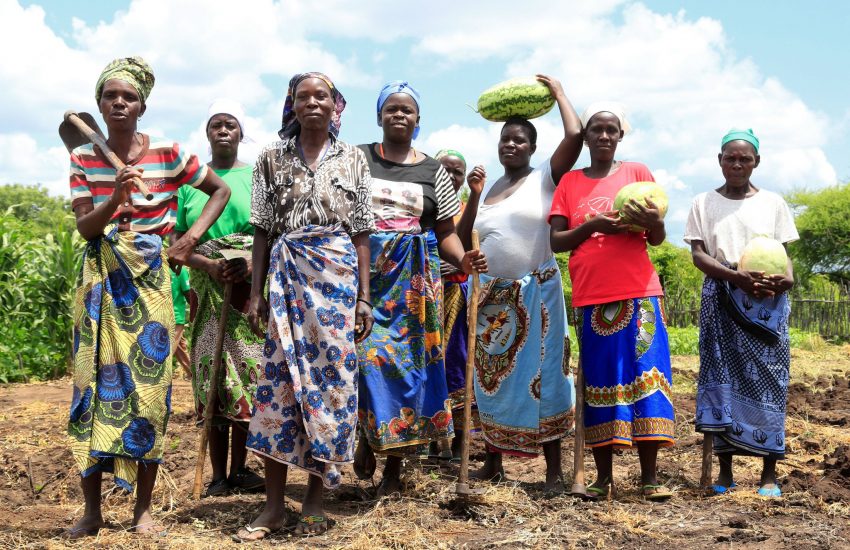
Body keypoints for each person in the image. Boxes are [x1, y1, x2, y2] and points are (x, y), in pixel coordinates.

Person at [66, 56, 230, 537]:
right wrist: (115, 198)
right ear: (99, 103)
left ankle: (142, 511)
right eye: (110, 96)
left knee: (150, 393)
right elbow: (84, 227)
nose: (119, 103)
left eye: (128, 97)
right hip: (99, 279)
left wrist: (190, 239)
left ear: (142, 105)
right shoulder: (83, 158)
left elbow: (217, 191)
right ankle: (92, 512)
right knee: (90, 391)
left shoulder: (169, 154)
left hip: (150, 278)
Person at [236, 73, 374, 540]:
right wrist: (255, 293)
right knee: (277, 386)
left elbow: (360, 235)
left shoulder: (353, 158)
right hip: (286, 278)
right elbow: (260, 230)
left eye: (322, 96)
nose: (312, 103)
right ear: (291, 105)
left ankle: (314, 500)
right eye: (302, 96)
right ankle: (274, 506)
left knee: (331, 385)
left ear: (336, 105)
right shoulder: (270, 159)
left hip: (336, 283)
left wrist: (363, 298)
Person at [354, 82, 487, 496]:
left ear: (417, 120)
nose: (399, 115)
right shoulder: (355, 158)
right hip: (364, 276)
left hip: (413, 282)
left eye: (407, 110)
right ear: (379, 116)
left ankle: (394, 468)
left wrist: (462, 257)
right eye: (391, 109)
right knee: (363, 360)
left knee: (408, 369)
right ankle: (365, 435)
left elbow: (445, 229)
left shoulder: (433, 171)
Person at [455, 75, 578, 493]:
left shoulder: (545, 176)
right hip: (493, 298)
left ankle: (554, 472)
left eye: (520, 140)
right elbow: (464, 232)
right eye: (505, 139)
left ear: (533, 147)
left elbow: (575, 136)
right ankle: (493, 464)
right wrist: (472, 195)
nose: (511, 144)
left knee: (548, 377)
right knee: (492, 379)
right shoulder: (490, 187)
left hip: (538, 294)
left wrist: (559, 93)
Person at [548, 102, 674, 501]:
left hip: (639, 292)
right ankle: (603, 477)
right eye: (596, 129)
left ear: (621, 136)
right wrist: (594, 226)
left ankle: (650, 477)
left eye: (611, 130)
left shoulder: (637, 175)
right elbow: (557, 241)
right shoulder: (569, 183)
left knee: (646, 378)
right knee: (602, 382)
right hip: (593, 296)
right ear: (585, 137)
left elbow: (656, 238)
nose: (604, 135)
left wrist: (654, 222)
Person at [684, 128, 798, 497]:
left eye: (744, 159)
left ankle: (769, 474)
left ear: (756, 163)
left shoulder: (774, 204)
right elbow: (699, 255)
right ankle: (725, 473)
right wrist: (736, 277)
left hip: (766, 300)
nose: (737, 164)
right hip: (722, 298)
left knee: (771, 379)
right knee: (722, 379)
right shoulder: (703, 202)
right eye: (730, 158)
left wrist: (786, 280)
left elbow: (784, 255)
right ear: (720, 161)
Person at [174, 99, 265, 497]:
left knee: (247, 375)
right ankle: (216, 476)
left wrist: (246, 261)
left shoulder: (258, 177)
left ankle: (242, 470)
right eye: (216, 125)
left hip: (248, 283)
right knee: (209, 375)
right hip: (206, 286)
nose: (223, 130)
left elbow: (268, 232)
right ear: (207, 133)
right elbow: (177, 242)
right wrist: (208, 265)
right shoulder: (190, 183)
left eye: (230, 124)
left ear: (241, 132)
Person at [432, 149, 472, 460]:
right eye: (443, 170)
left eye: (456, 172)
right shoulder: (422, 209)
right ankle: (433, 440)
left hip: (458, 299)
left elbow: (471, 250)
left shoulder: (468, 209)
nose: (450, 177)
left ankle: (458, 444)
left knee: (457, 365)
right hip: (424, 300)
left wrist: (457, 265)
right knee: (430, 365)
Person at [170, 267, 191, 378]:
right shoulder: (181, 270)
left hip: (161, 316)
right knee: (167, 354)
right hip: (176, 317)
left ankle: (193, 374)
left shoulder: (159, 266)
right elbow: (188, 294)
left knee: (179, 347)